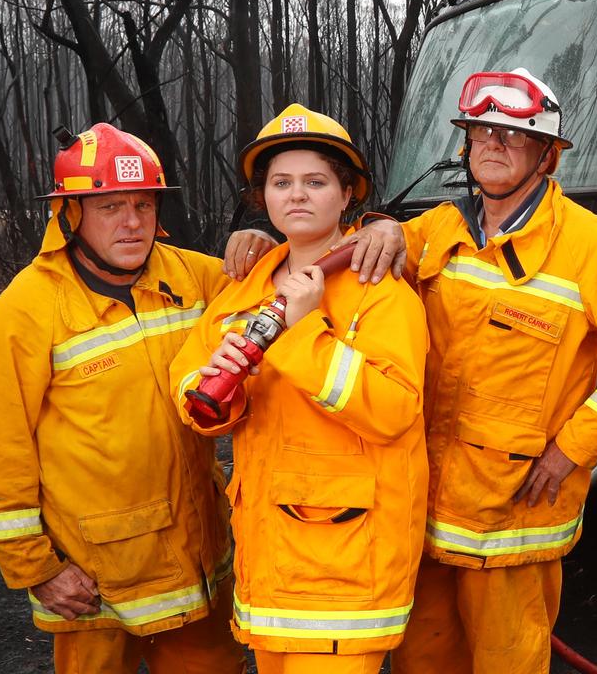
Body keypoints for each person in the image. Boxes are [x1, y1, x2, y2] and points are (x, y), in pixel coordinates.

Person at [229, 70, 597, 673]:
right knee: (426, 661)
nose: (492, 144)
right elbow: (336, 251)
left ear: (547, 154)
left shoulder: (587, 246)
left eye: (511, 134)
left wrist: (571, 451)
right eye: (480, 133)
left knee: (507, 664)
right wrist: (271, 246)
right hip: (423, 514)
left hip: (512, 515)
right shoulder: (440, 229)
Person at [169, 104, 429, 674]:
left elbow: (395, 409)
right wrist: (222, 394)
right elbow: (188, 383)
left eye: (316, 182)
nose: (298, 195)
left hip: (345, 565)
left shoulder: (380, 291)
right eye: (281, 183)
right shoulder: (246, 286)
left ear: (348, 194)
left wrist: (303, 331)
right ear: (263, 199)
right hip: (268, 562)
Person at [0, 123, 245, 673]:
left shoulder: (193, 277)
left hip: (199, 567)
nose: (133, 222)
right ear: (72, 214)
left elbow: (284, 281)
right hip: (94, 582)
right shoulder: (26, 309)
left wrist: (257, 244)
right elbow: (1, 449)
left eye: (144, 204)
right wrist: (37, 568)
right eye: (111, 206)